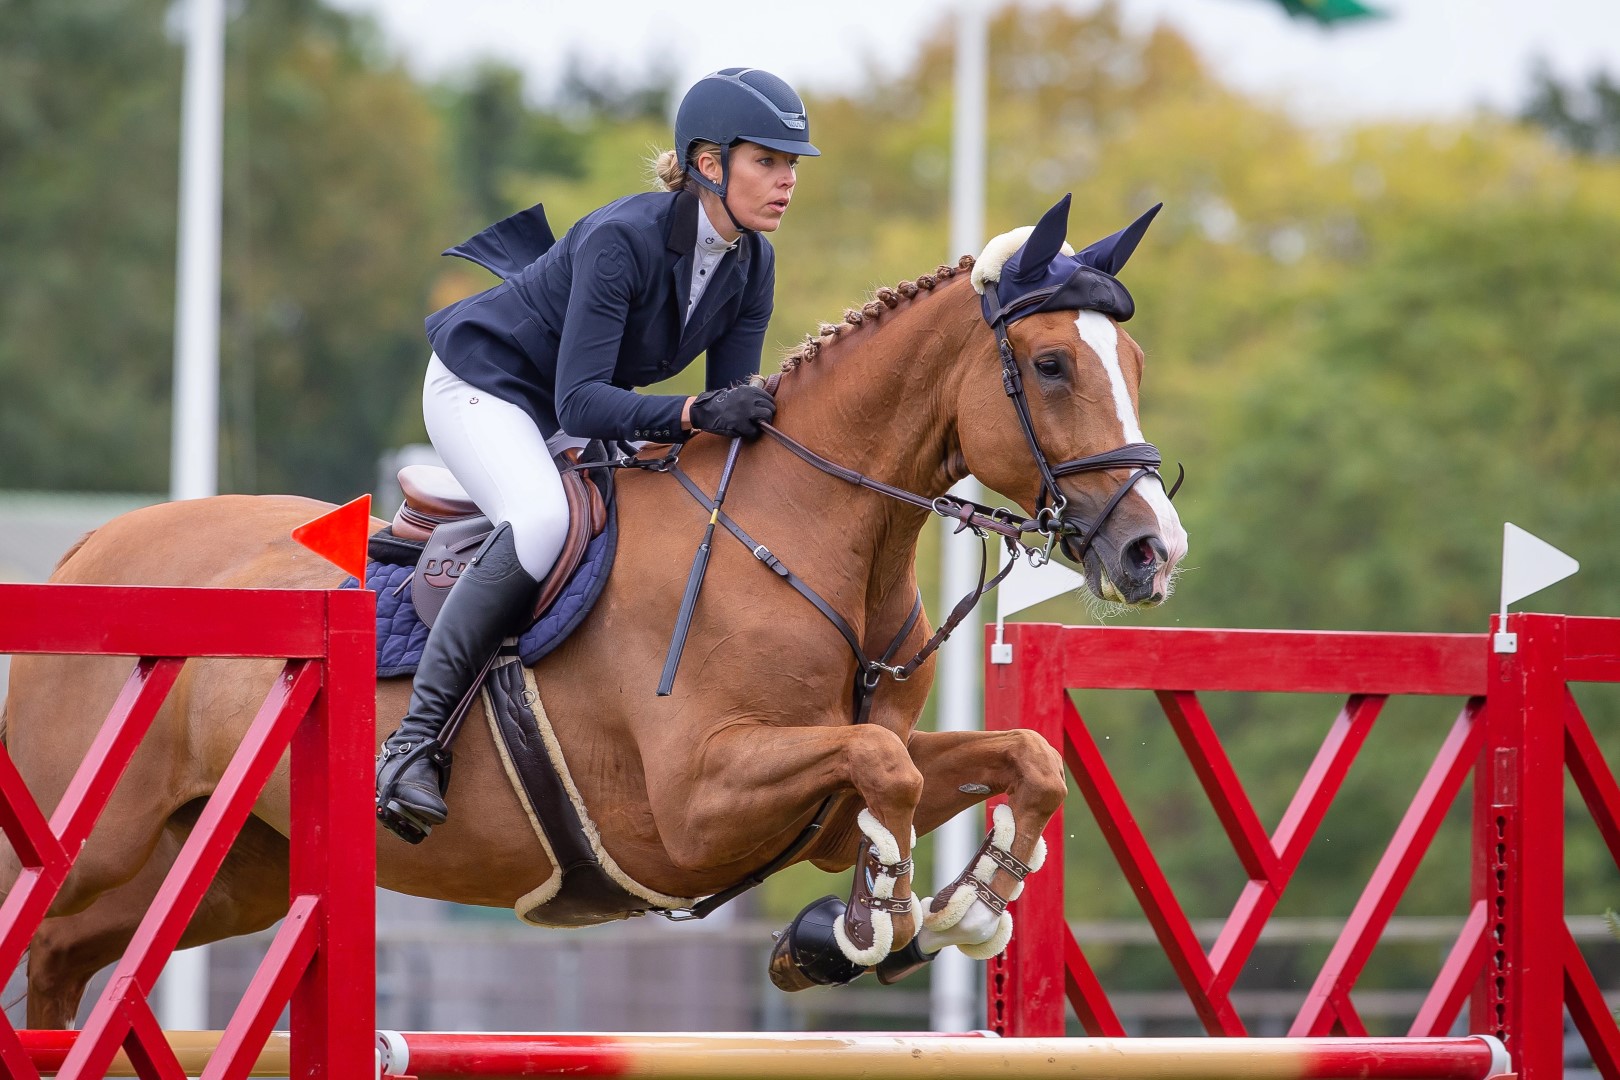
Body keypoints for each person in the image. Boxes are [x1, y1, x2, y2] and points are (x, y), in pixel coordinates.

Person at [375, 68, 819, 843]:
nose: (786, 182)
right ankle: (413, 742)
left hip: (569, 404)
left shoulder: (753, 264)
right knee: (542, 521)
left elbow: (730, 409)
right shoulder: (624, 238)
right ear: (709, 164)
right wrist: (689, 412)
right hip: (485, 385)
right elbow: (582, 400)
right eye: (768, 162)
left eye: (791, 167)